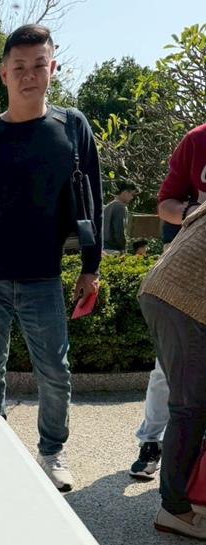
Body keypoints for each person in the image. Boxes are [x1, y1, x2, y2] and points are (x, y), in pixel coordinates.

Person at [0, 23, 103, 493]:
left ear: (53, 68)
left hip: (43, 275)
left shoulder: (71, 128)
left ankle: (52, 452)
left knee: (54, 372)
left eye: (38, 65)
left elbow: (91, 200)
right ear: (4, 73)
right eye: (19, 67)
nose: (29, 75)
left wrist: (91, 267)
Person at [128, 122, 206, 481]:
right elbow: (165, 205)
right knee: (167, 369)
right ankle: (151, 441)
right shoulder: (197, 139)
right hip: (186, 275)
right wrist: (196, 212)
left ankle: (191, 467)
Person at [138, 203, 206, 538]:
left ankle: (189, 497)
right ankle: (175, 510)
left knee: (192, 404)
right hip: (182, 298)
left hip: (169, 292)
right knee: (190, 406)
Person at [103, 182, 138, 255]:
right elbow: (119, 230)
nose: (132, 197)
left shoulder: (108, 206)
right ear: (125, 192)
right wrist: (123, 248)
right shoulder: (120, 207)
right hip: (113, 249)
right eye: (132, 194)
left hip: (103, 248)